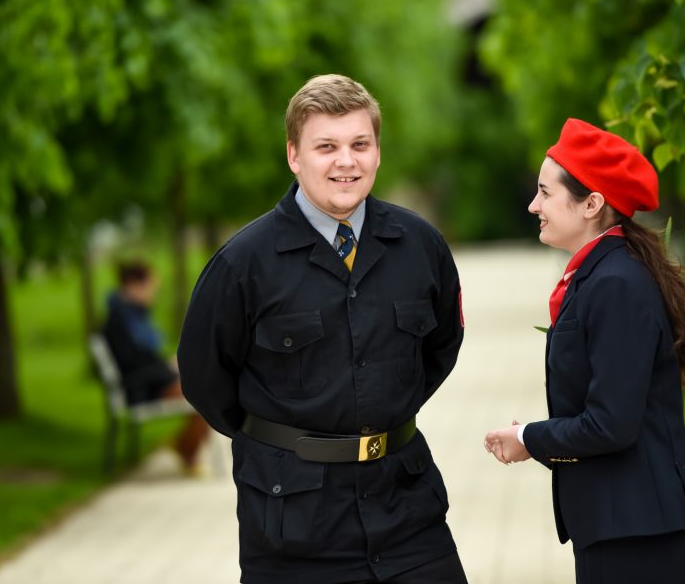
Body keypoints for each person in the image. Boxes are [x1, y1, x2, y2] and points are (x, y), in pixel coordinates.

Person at [177, 74, 467, 584]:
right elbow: (206, 380)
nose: (346, 162)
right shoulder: (242, 265)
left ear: (378, 150)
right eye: (326, 147)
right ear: (294, 155)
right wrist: (288, 440)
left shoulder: (421, 246)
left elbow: (440, 348)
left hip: (408, 517)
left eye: (360, 144)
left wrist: (379, 409)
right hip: (294, 528)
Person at [484, 118, 685, 584]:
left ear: (592, 203)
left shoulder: (615, 284)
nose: (533, 205)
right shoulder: (606, 275)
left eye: (545, 193)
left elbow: (611, 424)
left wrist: (529, 438)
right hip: (626, 526)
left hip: (640, 535)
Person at [103, 260, 210, 471]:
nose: (153, 294)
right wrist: (168, 369)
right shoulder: (120, 320)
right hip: (141, 388)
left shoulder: (130, 315)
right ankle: (185, 450)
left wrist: (169, 366)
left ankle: (184, 448)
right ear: (134, 285)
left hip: (150, 380)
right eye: (151, 288)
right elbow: (133, 362)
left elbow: (142, 356)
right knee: (203, 397)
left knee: (206, 392)